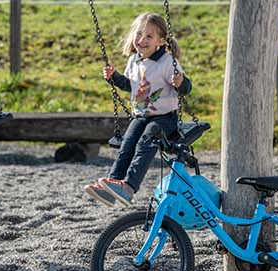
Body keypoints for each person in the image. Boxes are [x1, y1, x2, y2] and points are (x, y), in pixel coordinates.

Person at [84, 12, 195, 207]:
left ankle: (128, 187)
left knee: (146, 142)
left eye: (149, 36)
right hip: (141, 115)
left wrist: (180, 82)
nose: (141, 40)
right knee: (127, 145)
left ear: (160, 41)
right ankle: (113, 184)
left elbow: (186, 89)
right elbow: (131, 85)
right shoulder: (134, 61)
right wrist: (114, 78)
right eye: (138, 34)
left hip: (165, 119)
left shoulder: (168, 62)